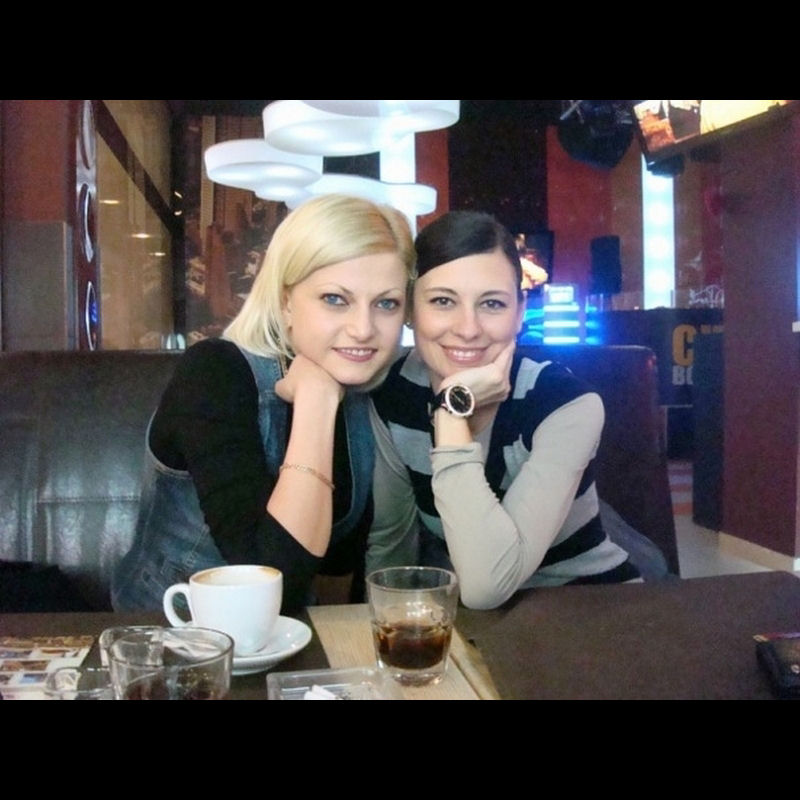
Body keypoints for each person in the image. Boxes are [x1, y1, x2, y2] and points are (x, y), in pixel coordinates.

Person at [112, 194, 416, 614]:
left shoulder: (364, 389)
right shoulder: (216, 372)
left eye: (386, 303)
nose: (363, 328)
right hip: (174, 632)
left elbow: (337, 565)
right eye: (335, 299)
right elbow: (271, 577)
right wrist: (315, 400)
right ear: (286, 300)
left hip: (291, 635)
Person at [368, 210, 640, 610]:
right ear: (410, 309)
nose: (468, 329)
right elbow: (392, 545)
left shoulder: (566, 404)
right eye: (443, 301)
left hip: (591, 608)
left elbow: (486, 586)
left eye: (492, 303)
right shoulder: (394, 391)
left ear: (520, 312)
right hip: (476, 622)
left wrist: (451, 410)